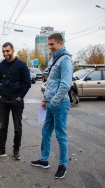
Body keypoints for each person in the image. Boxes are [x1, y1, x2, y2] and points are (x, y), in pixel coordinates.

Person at [30, 33, 74, 179]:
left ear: (60, 43)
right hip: (50, 103)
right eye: (48, 44)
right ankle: (44, 160)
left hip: (60, 104)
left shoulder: (66, 60)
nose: (49, 47)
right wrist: (45, 100)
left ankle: (63, 165)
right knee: (45, 132)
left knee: (61, 135)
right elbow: (51, 83)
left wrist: (54, 101)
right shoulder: (54, 60)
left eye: (52, 44)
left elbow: (65, 85)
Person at [0, 42, 31, 160]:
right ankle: (1, 150)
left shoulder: (21, 65)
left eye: (7, 51)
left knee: (17, 127)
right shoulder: (1, 66)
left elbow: (27, 83)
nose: (5, 53)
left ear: (13, 50)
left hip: (16, 101)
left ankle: (16, 150)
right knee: (3, 126)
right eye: (3, 51)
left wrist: (20, 97)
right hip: (3, 100)